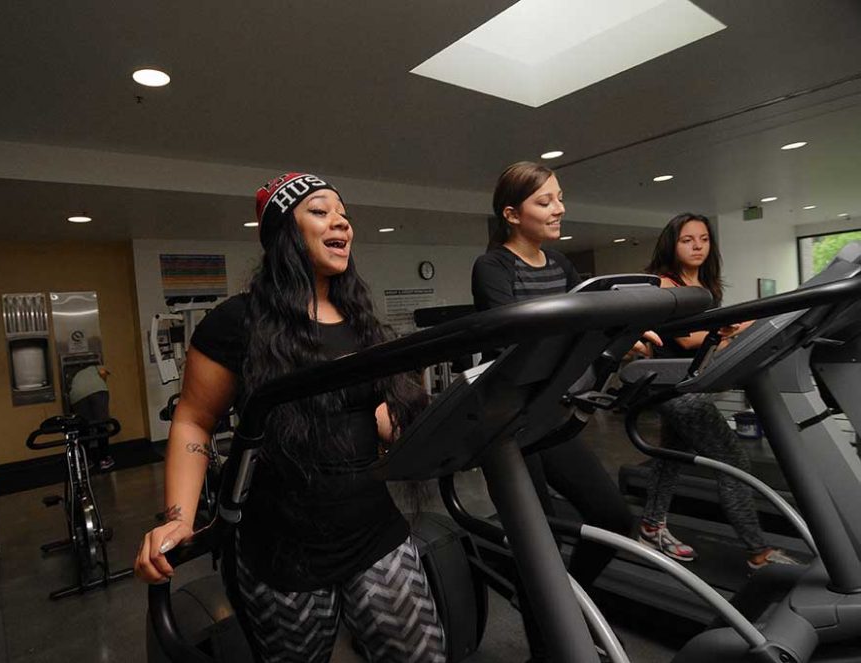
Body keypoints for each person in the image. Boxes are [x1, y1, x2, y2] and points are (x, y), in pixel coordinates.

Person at [134, 173, 446, 663]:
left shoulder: (360, 320)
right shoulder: (238, 322)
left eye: (344, 213)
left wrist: (432, 430)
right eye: (321, 211)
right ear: (284, 233)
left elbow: (374, 411)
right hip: (281, 551)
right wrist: (179, 520)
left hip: (372, 532)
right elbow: (194, 420)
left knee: (422, 654)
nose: (341, 220)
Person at [472, 161, 641, 662]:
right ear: (511, 214)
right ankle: (547, 646)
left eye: (559, 197)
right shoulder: (493, 268)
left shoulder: (563, 265)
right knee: (536, 541)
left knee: (612, 518)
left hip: (549, 416)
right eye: (545, 201)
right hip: (506, 424)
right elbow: (522, 341)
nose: (559, 208)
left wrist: (621, 341)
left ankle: (564, 603)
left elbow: (579, 329)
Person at [637, 212, 797, 569]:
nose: (697, 246)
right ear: (672, 245)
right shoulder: (666, 283)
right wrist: (736, 328)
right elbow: (686, 337)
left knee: (669, 460)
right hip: (675, 388)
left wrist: (730, 332)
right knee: (732, 460)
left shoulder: (706, 286)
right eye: (687, 240)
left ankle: (651, 526)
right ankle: (758, 552)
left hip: (691, 383)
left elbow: (714, 340)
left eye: (704, 239)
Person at [68, 364, 114, 471]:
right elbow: (103, 373)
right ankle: (104, 459)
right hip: (97, 391)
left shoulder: (78, 375)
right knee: (101, 425)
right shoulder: (98, 367)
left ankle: (85, 461)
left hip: (77, 396)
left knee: (84, 427)